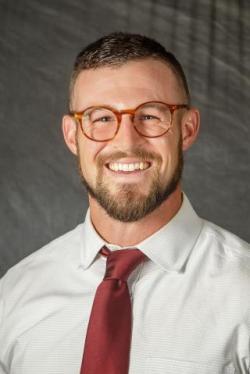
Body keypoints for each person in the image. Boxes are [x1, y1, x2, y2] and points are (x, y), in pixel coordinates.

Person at [0, 32, 249, 374]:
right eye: (101, 118)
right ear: (72, 136)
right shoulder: (14, 294)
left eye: (150, 115)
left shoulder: (243, 294)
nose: (126, 142)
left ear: (187, 129)